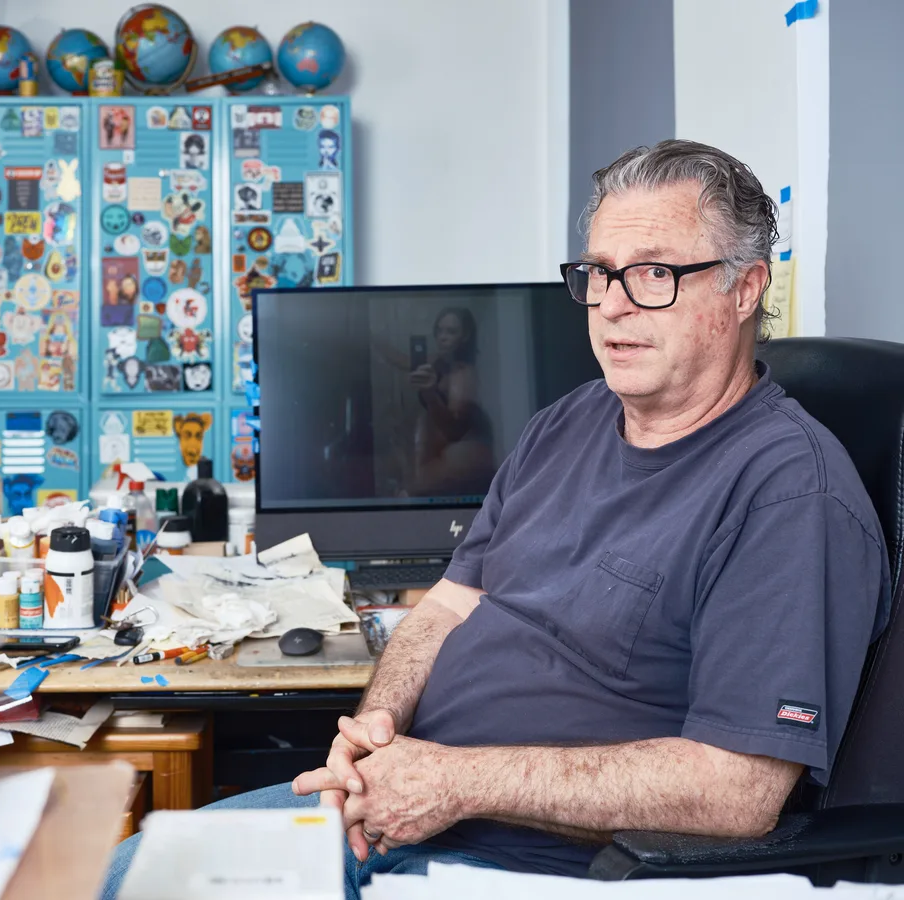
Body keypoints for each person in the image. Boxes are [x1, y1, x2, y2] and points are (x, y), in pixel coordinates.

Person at [102, 140, 892, 899]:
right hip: (403, 813)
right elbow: (449, 604)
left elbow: (738, 791)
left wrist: (454, 782)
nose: (613, 306)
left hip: (530, 866)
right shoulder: (569, 422)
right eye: (599, 273)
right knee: (121, 873)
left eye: (654, 273)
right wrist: (375, 726)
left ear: (746, 287)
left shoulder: (790, 495)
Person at [408, 307, 497, 495]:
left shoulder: (462, 374)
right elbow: (401, 361)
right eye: (439, 331)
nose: (443, 337)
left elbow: (453, 429)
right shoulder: (439, 364)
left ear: (464, 336)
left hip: (458, 463)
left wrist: (429, 393)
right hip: (442, 461)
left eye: (451, 332)